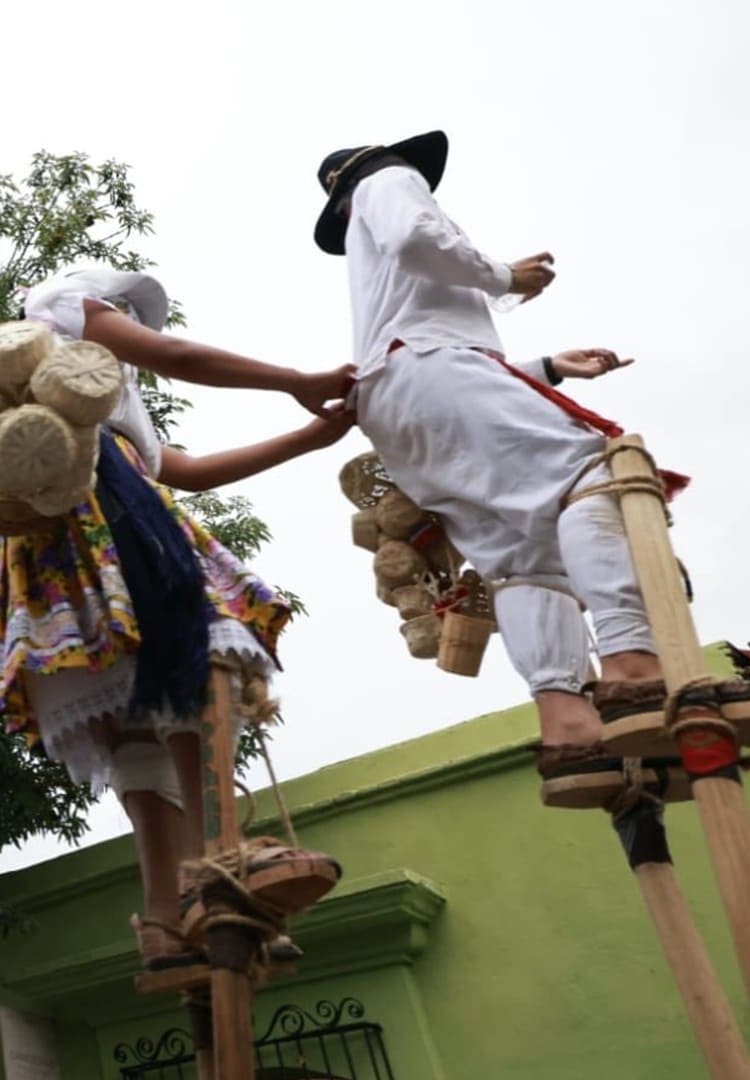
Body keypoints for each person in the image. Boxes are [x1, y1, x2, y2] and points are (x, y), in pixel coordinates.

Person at [310, 129, 728, 803]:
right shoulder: (389, 181)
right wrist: (507, 277)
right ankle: (632, 669)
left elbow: (449, 381)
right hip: (427, 370)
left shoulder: (369, 258)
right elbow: (420, 247)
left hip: (400, 405)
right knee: (595, 477)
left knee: (524, 559)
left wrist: (549, 369)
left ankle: (570, 732)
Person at [4, 266, 348, 969]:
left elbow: (180, 468)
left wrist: (310, 437)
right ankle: (220, 864)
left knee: (139, 723)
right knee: (202, 657)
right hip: (106, 509)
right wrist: (297, 380)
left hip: (94, 516)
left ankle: (168, 913)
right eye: (123, 316)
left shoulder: (113, 396)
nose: (128, 327)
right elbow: (183, 359)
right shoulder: (62, 309)